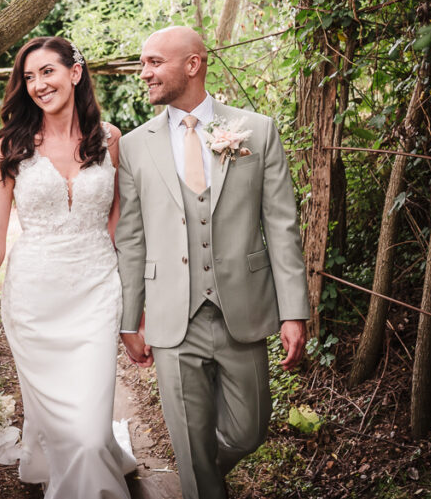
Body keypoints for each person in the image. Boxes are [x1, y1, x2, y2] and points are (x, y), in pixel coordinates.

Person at [115, 25, 310, 499]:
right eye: (144, 63)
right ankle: (200, 482)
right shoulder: (134, 145)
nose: (145, 73)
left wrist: (293, 311)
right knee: (189, 445)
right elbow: (132, 238)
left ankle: (201, 477)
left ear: (193, 64)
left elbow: (281, 225)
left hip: (241, 309)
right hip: (169, 316)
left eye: (154, 62)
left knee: (249, 431)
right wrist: (129, 319)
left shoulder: (256, 131)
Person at [0, 36, 136, 498]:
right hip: (34, 303)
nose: (37, 85)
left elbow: (119, 232)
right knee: (65, 429)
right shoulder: (10, 146)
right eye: (29, 77)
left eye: (47, 72)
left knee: (91, 433)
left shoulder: (110, 140)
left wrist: (137, 314)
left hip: (97, 294)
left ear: (75, 73)